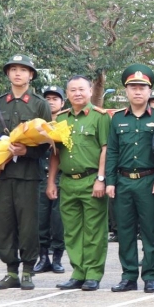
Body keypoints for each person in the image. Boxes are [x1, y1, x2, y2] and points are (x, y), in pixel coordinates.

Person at [0, 55, 53, 290]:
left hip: (28, 174)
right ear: (8, 74)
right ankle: (10, 270)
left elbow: (47, 143)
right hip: (3, 174)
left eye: (23, 70)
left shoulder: (39, 104)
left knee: (28, 223)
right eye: (13, 69)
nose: (18, 74)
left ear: (31, 75)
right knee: (3, 223)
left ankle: (27, 271)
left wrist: (26, 151)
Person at [105, 65, 154, 293]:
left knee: (151, 231)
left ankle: (150, 276)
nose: (137, 92)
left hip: (149, 181)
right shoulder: (117, 119)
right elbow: (111, 151)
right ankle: (128, 276)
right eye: (133, 87)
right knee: (125, 231)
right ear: (126, 91)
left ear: (150, 91)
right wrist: (109, 181)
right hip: (123, 182)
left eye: (142, 87)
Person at [48, 75, 110, 291]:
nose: (77, 93)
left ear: (91, 91)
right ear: (67, 94)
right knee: (72, 231)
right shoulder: (61, 119)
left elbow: (105, 148)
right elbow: (56, 153)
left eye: (81, 89)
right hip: (67, 182)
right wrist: (51, 182)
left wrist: (101, 179)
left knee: (94, 230)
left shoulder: (100, 117)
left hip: (91, 180)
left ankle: (93, 273)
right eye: (72, 90)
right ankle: (78, 272)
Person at [36, 85, 67, 274]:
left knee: (58, 220)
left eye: (55, 98)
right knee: (40, 220)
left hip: (61, 177)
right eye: (47, 98)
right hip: (39, 175)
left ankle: (57, 258)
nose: (51, 101)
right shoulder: (36, 124)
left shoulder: (66, 123)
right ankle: (42, 257)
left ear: (62, 103)